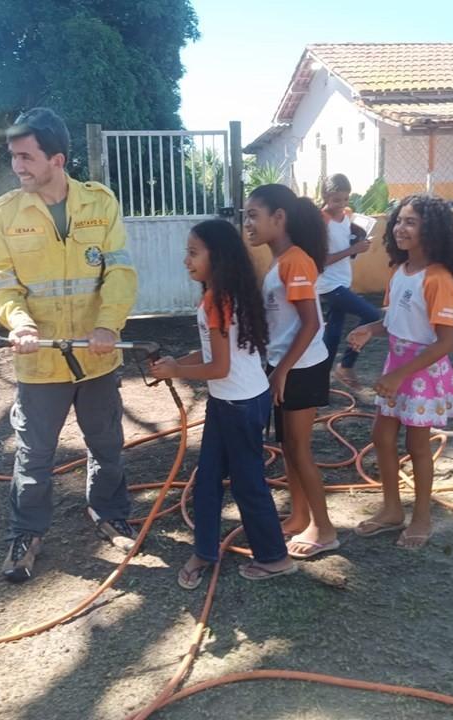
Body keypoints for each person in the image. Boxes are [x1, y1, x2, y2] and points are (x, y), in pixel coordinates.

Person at [0, 107, 138, 582]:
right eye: (13, 157)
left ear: (58, 159)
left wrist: (109, 326)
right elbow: (0, 285)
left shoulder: (100, 203)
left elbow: (120, 271)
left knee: (107, 443)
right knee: (34, 455)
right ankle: (26, 533)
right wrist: (20, 323)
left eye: (26, 157)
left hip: (97, 357)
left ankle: (108, 513)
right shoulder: (2, 215)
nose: (17, 167)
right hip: (40, 361)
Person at [150, 219, 296, 588]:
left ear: (219, 256)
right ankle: (205, 550)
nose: (186, 260)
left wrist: (176, 372)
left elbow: (219, 365)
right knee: (209, 479)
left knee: (247, 483)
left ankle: (275, 558)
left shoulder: (218, 299)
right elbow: (212, 351)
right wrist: (175, 365)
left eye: (193, 252)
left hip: (238, 405)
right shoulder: (229, 292)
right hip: (233, 401)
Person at [346, 194, 453, 549]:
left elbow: (445, 342)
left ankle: (422, 518)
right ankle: (392, 510)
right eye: (398, 220)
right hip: (396, 368)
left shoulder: (438, 278)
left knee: (417, 445)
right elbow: (394, 321)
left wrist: (401, 376)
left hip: (422, 374)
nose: (400, 227)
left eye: (410, 222)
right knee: (381, 436)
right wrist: (371, 329)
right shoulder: (400, 272)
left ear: (433, 230)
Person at [244, 183, 339, 560]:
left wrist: (281, 370)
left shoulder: (295, 261)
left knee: (300, 449)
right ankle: (300, 515)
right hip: (284, 365)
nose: (247, 223)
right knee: (288, 447)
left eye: (253, 215)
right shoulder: (281, 260)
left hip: (301, 368)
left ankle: (325, 528)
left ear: (278, 218)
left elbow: (311, 323)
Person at [317, 173, 381, 389]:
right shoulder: (320, 221)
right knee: (372, 315)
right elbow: (322, 259)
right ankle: (346, 364)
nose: (341, 205)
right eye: (336, 200)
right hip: (327, 284)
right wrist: (353, 249)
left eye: (345, 199)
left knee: (333, 332)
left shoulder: (346, 216)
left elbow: (344, 246)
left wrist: (358, 242)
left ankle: (320, 380)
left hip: (342, 280)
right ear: (325, 195)